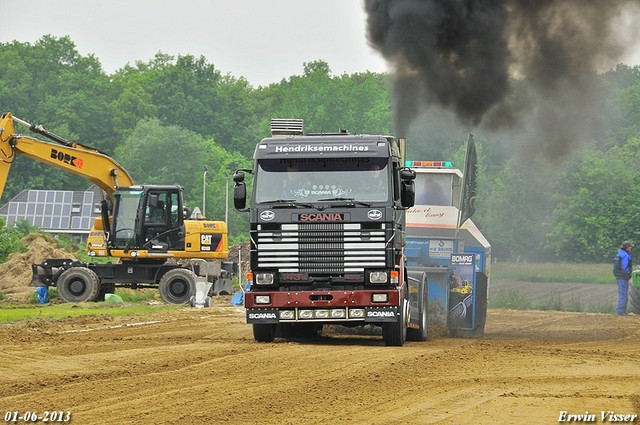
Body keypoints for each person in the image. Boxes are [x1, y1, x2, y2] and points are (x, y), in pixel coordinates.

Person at [613, 240, 633, 316]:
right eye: (630, 246)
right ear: (627, 247)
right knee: (623, 294)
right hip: (623, 277)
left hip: (619, 276)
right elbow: (624, 267)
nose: (631, 248)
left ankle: (622, 311)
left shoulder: (619, 253)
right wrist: (628, 274)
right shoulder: (625, 255)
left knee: (622, 293)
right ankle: (620, 312)